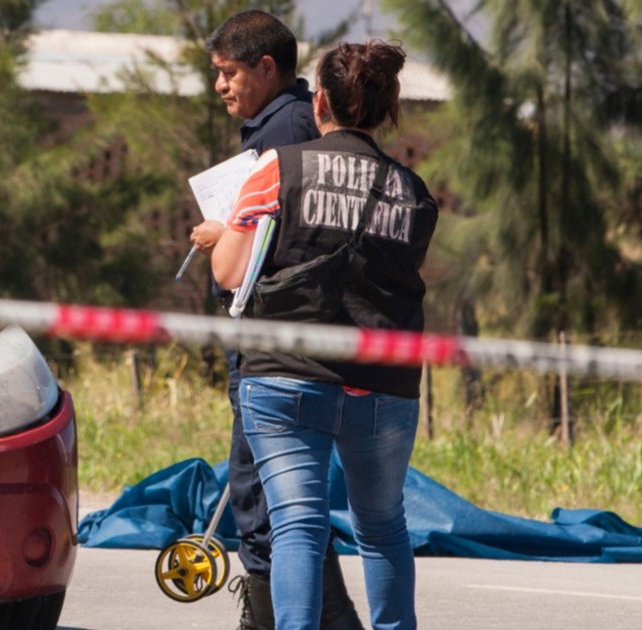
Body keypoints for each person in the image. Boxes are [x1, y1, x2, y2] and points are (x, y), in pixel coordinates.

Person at [209, 40, 439, 630]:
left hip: (286, 376)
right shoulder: (413, 193)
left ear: (320, 106)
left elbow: (230, 272)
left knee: (298, 526)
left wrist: (220, 235)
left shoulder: (277, 170)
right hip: (383, 384)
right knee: (384, 526)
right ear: (387, 111)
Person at [189, 10, 363, 630]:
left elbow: (284, 238)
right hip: (277, 340)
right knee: (286, 503)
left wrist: (222, 235)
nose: (220, 86)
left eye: (229, 72)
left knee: (264, 502)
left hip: (272, 347)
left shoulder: (286, 129)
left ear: (267, 67)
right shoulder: (282, 122)